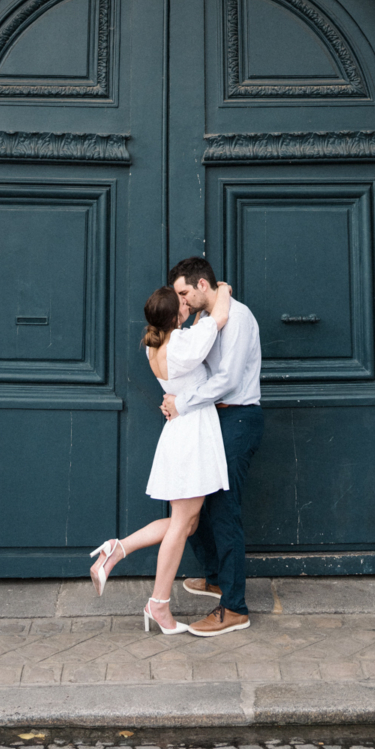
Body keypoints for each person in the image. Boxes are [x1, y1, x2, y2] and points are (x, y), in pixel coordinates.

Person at [89, 280, 233, 635]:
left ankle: (117, 549)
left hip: (181, 435)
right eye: (182, 303)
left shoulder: (155, 346)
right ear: (176, 316)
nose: (187, 304)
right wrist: (224, 289)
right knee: (183, 523)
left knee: (187, 522)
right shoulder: (181, 343)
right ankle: (158, 603)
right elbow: (220, 317)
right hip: (192, 436)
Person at [164, 256, 263, 637]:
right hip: (212, 420)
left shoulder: (237, 318)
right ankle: (217, 577)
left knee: (224, 509)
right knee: (196, 501)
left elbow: (226, 379)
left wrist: (182, 403)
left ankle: (235, 608)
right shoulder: (207, 321)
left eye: (184, 293)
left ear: (203, 285)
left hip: (238, 419)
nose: (182, 303)